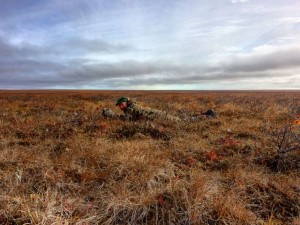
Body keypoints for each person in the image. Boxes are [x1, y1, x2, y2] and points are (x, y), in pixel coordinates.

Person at [102, 97, 217, 122]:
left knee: (182, 122)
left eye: (121, 104)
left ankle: (209, 115)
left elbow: (125, 120)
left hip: (160, 117)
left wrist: (110, 114)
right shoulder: (131, 107)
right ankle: (206, 114)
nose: (120, 107)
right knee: (183, 119)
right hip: (159, 115)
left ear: (126, 102)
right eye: (119, 106)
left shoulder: (131, 108)